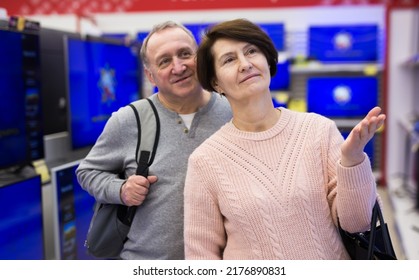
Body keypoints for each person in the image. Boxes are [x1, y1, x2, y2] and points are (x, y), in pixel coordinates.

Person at [183, 18, 386, 260]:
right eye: (229, 60)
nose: (245, 64)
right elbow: (201, 256)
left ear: (267, 60)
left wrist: (352, 161)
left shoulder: (318, 130)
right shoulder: (205, 161)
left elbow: (358, 223)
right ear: (216, 83)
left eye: (251, 51)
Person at [76, 21, 232, 260]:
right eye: (164, 61)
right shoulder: (129, 120)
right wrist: (122, 190)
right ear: (150, 75)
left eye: (185, 54)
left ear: (199, 57)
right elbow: (87, 172)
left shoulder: (232, 111)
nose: (178, 67)